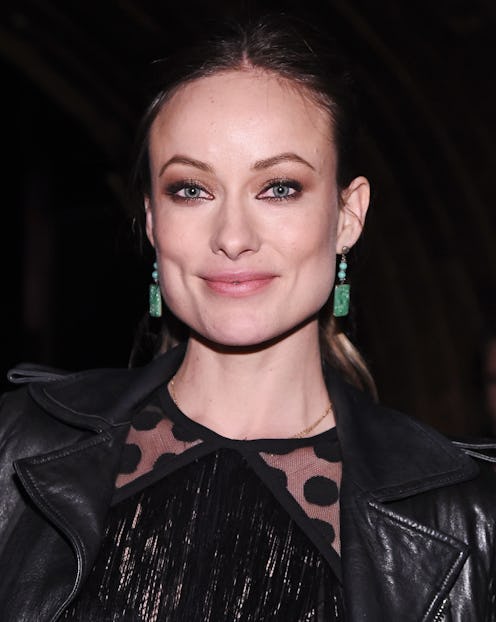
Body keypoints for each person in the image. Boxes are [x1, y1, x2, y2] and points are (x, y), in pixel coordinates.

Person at [1, 13, 495, 622]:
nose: (232, 237)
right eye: (191, 190)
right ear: (152, 220)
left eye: (279, 187)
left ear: (348, 215)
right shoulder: (16, 448)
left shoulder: (468, 516)